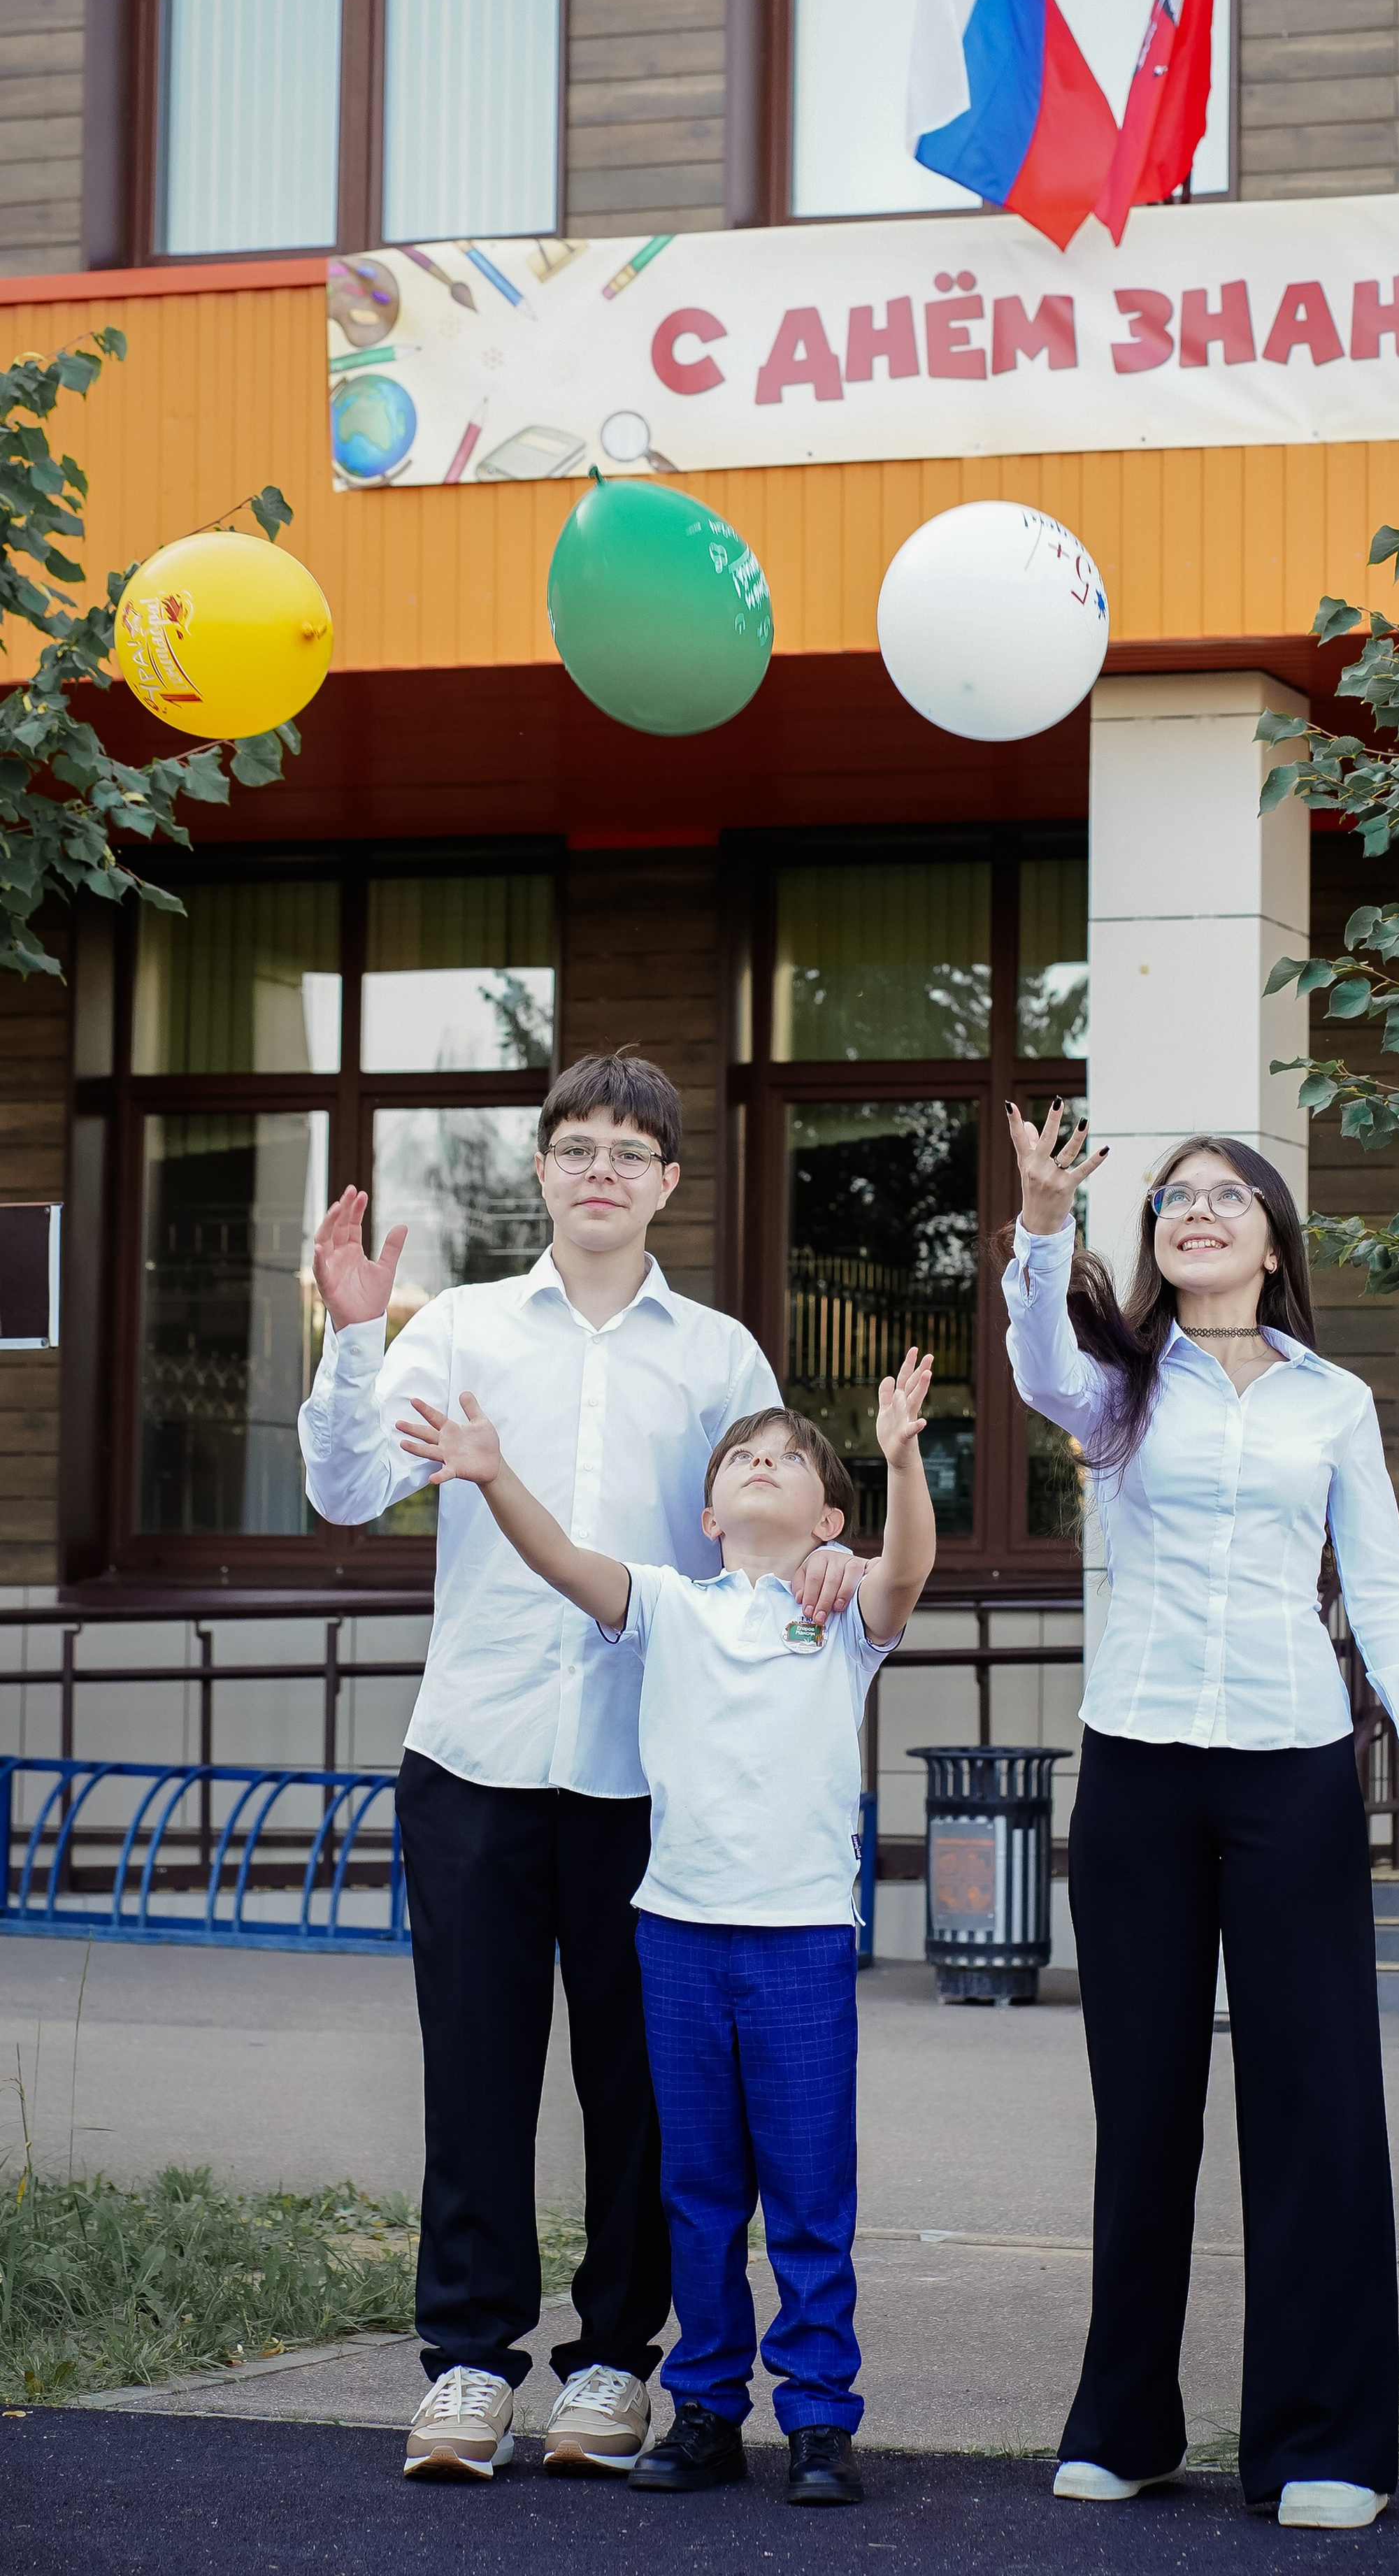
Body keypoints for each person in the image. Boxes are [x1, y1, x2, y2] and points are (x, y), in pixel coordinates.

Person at [297, 1051, 865, 2484]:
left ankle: (617, 2361)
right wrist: (355, 1337)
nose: (600, 1170)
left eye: (629, 1151)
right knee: (476, 2075)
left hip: (651, 1776)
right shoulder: (464, 1327)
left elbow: (778, 1508)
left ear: (667, 1182)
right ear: (539, 1168)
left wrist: (843, 1554)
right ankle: (469, 2371)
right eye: (576, 1147)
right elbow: (346, 1489)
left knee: (644, 2094)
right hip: (476, 1749)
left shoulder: (718, 1351)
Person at [1000, 1102, 1399, 2534]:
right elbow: (1033, 1365)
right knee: (1140, 2105)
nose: (1193, 1212)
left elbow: (1379, 1588)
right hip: (1136, 1770)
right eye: (1171, 1200)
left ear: (1273, 1239)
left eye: (1225, 1196)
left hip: (1289, 1770)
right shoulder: (1116, 1382)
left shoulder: (1332, 1402)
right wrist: (1038, 1224)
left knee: (1314, 2105)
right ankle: (1125, 2424)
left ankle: (1321, 2444)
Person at [395, 1353, 939, 2507]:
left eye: (788, 1459)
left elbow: (909, 1574)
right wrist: (491, 1477)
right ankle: (702, 2409)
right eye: (743, 1456)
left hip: (795, 1942)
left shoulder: (838, 1613)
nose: (762, 1464)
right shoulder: (670, 1605)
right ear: (709, 1513)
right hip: (678, 1936)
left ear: (826, 1516)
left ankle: (819, 2421)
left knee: (806, 2195)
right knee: (695, 2192)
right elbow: (563, 1562)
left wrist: (900, 1457)